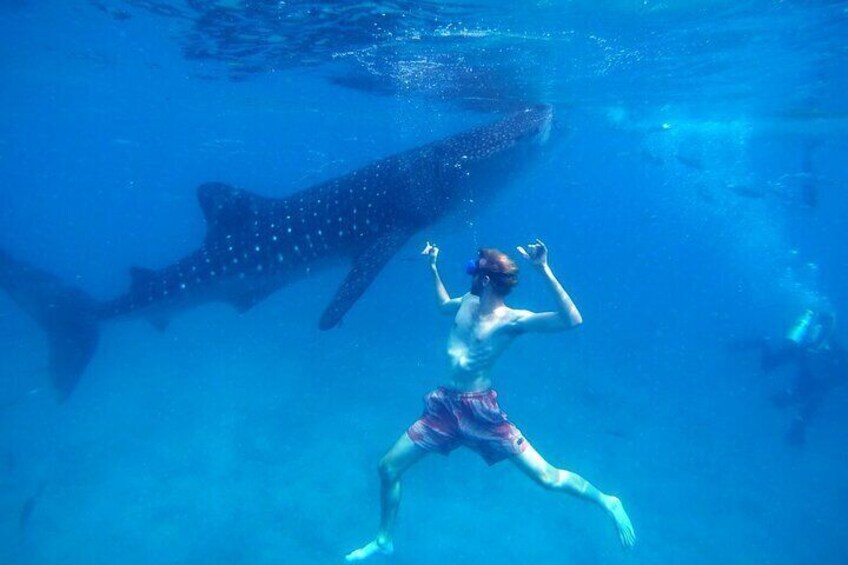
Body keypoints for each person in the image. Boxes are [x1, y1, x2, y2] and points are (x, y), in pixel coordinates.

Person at [344, 240, 636, 562]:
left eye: (474, 268)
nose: (470, 272)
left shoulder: (513, 320)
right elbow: (443, 304)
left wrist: (543, 269)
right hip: (443, 407)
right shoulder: (467, 301)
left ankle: (607, 500)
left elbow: (572, 320)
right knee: (388, 467)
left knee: (547, 478)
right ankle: (385, 539)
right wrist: (432, 267)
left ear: (484, 279)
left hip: (481, 412)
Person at [761, 309, 845, 446]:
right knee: (810, 400)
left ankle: (796, 429)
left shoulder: (825, 347)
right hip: (815, 378)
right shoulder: (829, 348)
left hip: (813, 377)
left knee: (809, 400)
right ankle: (796, 429)